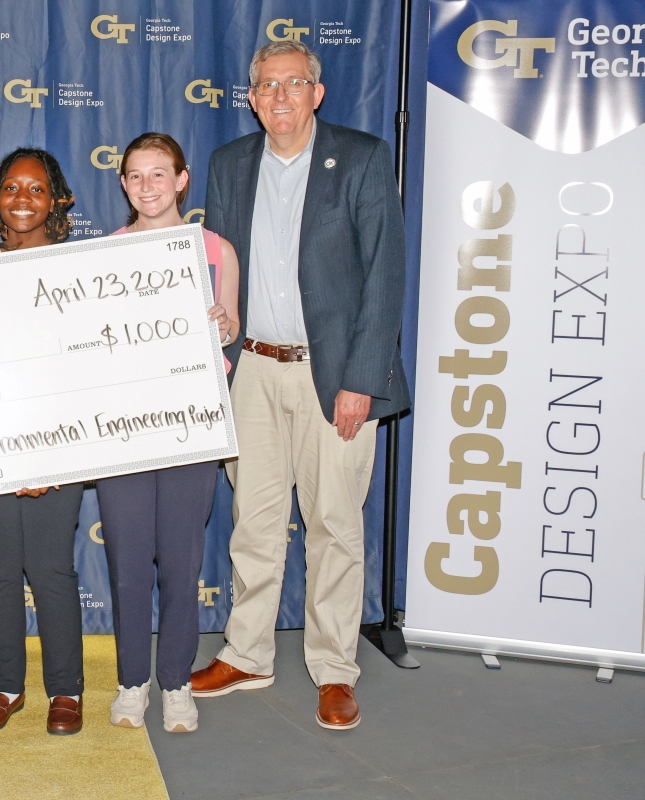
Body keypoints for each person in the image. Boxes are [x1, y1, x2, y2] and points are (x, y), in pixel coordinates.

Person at [190, 40, 410, 731]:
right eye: (266, 86)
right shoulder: (230, 164)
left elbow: (384, 278)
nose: (279, 96)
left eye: (293, 84)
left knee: (335, 527)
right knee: (253, 524)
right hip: (251, 369)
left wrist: (361, 381)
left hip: (335, 374)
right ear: (251, 99)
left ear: (317, 93)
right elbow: (220, 263)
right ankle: (247, 653)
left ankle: (335, 668)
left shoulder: (366, 157)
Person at [96, 133, 239, 734]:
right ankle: (133, 683)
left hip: (189, 426)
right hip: (123, 431)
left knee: (180, 563)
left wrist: (224, 324)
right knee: (128, 565)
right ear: (123, 183)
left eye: (160, 174)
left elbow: (229, 336)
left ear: (182, 180)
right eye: (136, 175)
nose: (148, 186)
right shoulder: (102, 254)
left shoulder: (216, 251)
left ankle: (176, 682)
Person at [0, 148, 87, 736]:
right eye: (10, 188)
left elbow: (86, 370)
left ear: (56, 200)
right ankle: (7, 686)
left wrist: (52, 455)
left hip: (58, 446)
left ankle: (66, 691)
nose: (22, 199)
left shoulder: (81, 272)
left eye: (36, 189)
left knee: (51, 569)